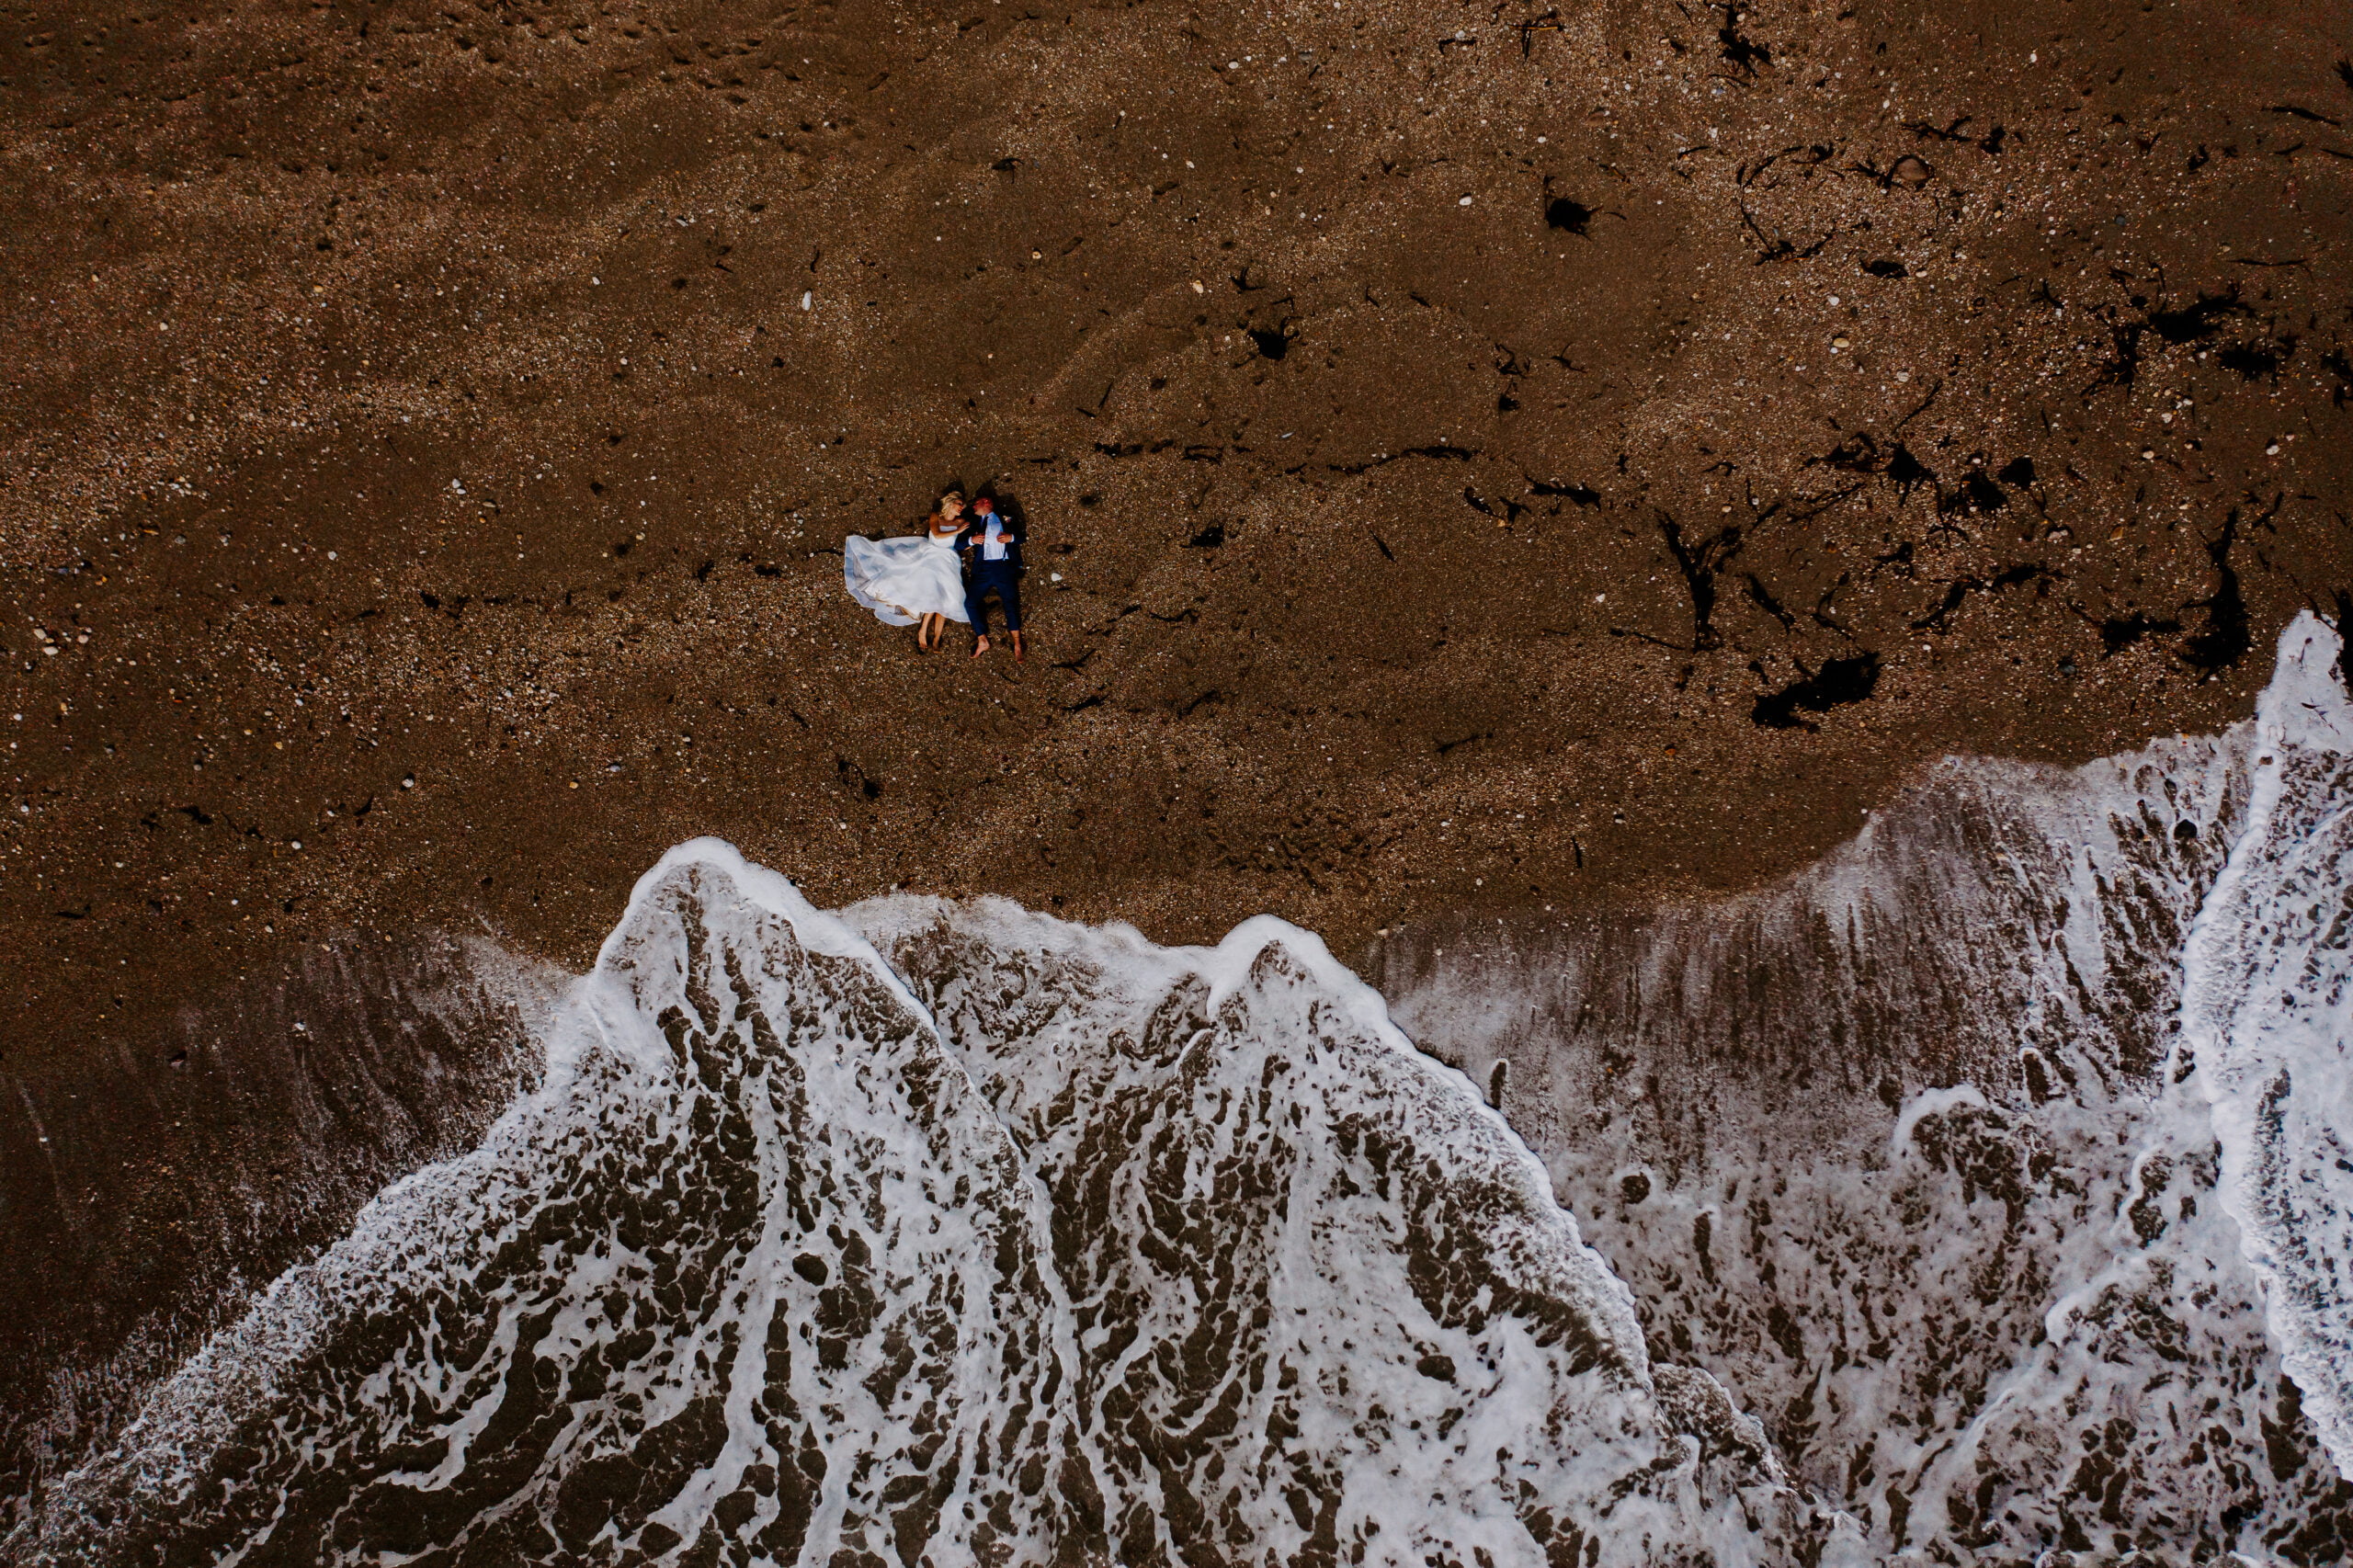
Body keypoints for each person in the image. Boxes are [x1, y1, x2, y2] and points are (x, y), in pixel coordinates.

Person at [842, 491, 971, 652]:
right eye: (959, 504)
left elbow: (964, 538)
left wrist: (970, 540)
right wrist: (957, 532)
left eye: (962, 506)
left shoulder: (960, 521)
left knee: (948, 597)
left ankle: (937, 637)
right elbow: (937, 534)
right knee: (933, 593)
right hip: (931, 555)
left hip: (948, 558)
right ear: (950, 503)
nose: (961, 508)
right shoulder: (936, 516)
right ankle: (923, 630)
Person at [956, 494, 1027, 661]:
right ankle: (982, 639)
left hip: (1003, 566)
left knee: (1010, 602)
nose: (973, 507)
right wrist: (971, 540)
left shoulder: (1004, 517)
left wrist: (1012, 538)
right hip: (983, 569)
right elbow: (958, 544)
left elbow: (1022, 536)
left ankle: (1017, 642)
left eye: (976, 504)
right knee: (970, 602)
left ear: (986, 502)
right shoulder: (973, 523)